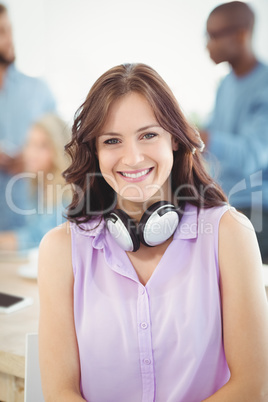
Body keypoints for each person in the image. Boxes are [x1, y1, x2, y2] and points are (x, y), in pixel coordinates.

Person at [38, 63, 268, 402]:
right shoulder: (60, 249)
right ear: (96, 152)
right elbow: (60, 392)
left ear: (174, 138)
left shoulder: (229, 234)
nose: (132, 158)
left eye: (148, 135)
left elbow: (253, 387)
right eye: (112, 140)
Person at [200, 1, 268, 263]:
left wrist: (205, 138)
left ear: (241, 34)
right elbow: (209, 150)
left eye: (214, 35)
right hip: (226, 204)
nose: (207, 44)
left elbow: (254, 155)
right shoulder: (225, 85)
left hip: (257, 210)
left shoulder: (264, 85)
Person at [0, 3, 56, 231]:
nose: (10, 39)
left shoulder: (38, 91)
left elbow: (64, 148)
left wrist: (35, 158)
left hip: (32, 224)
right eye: (2, 33)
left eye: (9, 30)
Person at [0, 113, 71, 251]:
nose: (31, 152)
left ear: (59, 150)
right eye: (29, 144)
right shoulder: (38, 186)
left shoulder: (67, 193)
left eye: (42, 146)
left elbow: (38, 238)